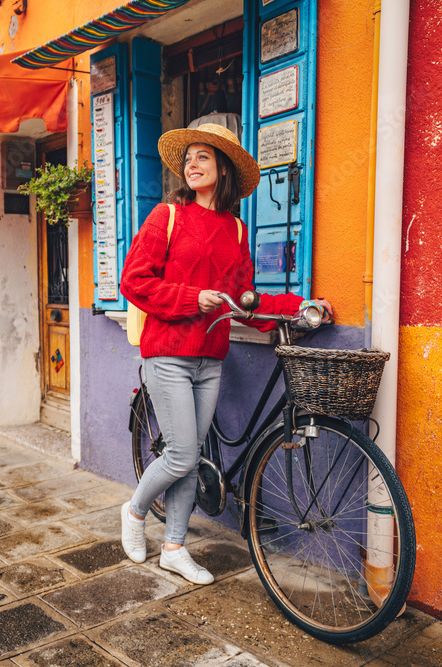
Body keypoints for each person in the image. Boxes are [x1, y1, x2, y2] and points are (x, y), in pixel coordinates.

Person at [118, 124, 333, 584]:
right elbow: (134, 282)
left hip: (210, 358)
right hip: (169, 353)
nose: (192, 166)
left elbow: (245, 301)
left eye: (203, 158)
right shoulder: (166, 217)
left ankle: (174, 548)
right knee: (179, 455)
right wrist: (193, 298)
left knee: (191, 456)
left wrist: (302, 308)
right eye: (188, 159)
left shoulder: (235, 229)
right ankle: (135, 512)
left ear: (223, 171)